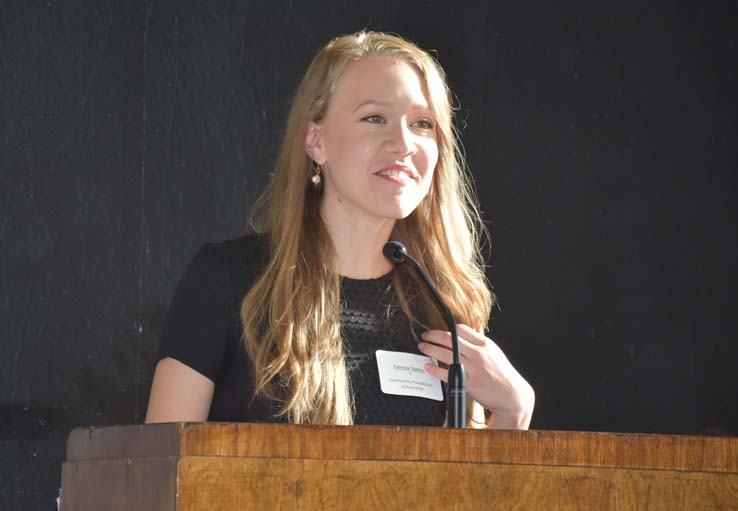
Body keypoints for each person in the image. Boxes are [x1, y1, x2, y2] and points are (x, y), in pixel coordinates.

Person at [145, 31, 534, 429]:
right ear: (316, 141)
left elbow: (468, 488)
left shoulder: (445, 307)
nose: (403, 143)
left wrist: (513, 411)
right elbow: (160, 467)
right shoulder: (230, 279)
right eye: (374, 118)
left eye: (422, 124)